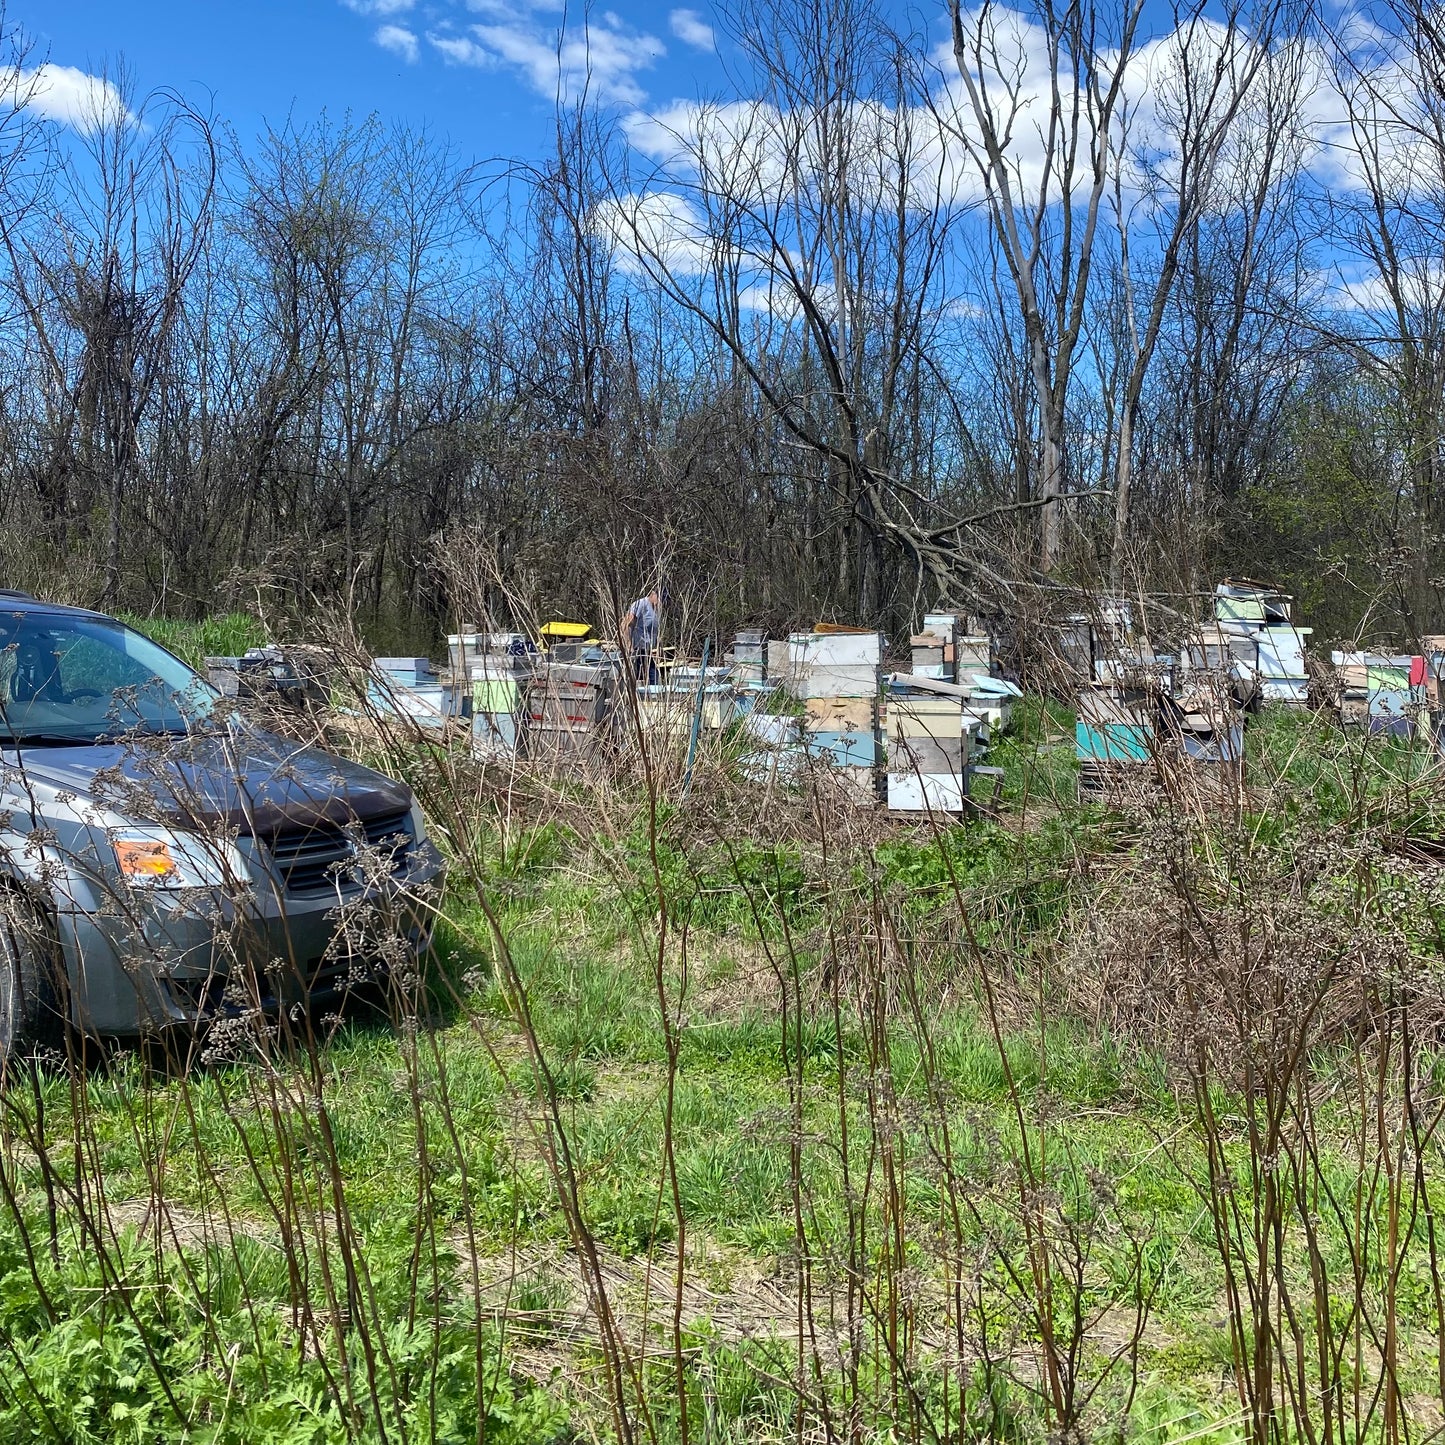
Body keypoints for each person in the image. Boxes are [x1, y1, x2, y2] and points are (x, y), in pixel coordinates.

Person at [623, 589, 661, 684]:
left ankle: (650, 697)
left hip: (647, 651)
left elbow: (654, 631)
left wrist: (659, 647)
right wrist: (629, 646)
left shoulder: (655, 610)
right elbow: (626, 625)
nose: (661, 601)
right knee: (646, 677)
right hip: (637, 649)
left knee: (654, 677)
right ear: (653, 593)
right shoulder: (641, 604)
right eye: (660, 598)